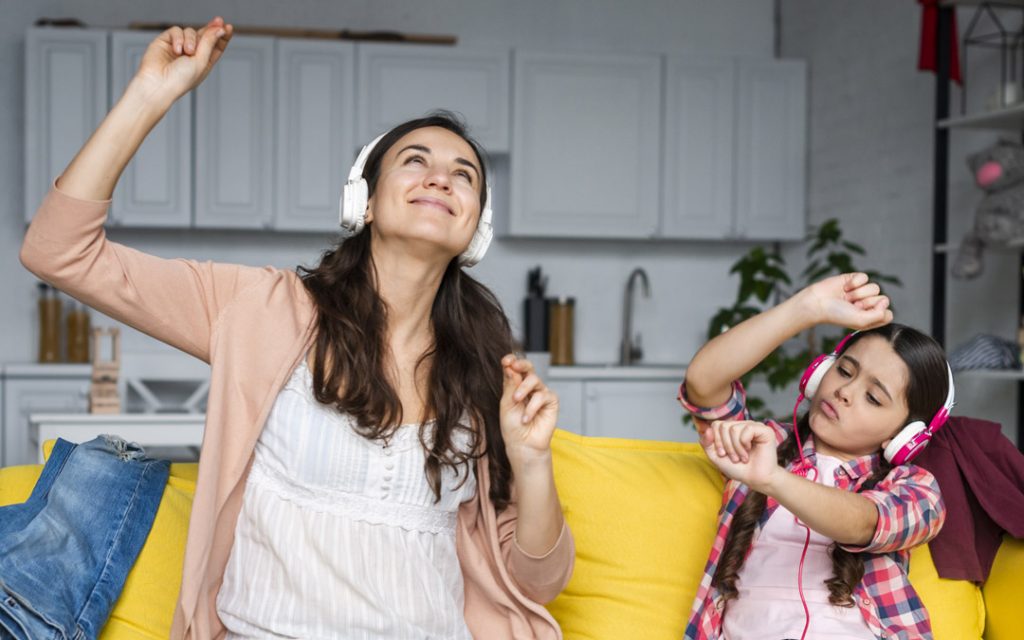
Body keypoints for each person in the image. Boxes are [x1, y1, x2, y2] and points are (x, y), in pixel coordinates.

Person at [20, 17, 573, 639]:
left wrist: (532, 461)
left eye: (464, 174)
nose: (440, 177)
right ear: (362, 203)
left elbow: (534, 582)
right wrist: (150, 95)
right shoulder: (262, 308)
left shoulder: (484, 367)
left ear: (476, 228)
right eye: (414, 161)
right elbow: (58, 250)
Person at [678, 272, 951, 640]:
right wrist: (807, 307)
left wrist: (773, 479)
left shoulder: (917, 490)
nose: (844, 392)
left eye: (873, 397)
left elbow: (864, 523)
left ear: (905, 435)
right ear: (819, 370)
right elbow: (702, 382)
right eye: (844, 371)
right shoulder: (765, 446)